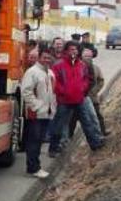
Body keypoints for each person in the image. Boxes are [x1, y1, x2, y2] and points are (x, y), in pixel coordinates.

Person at [49, 41, 104, 157]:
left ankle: (95, 144)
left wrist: (83, 90)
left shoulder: (82, 65)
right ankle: (53, 148)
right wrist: (63, 92)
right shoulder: (58, 65)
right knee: (59, 125)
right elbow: (54, 81)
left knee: (88, 122)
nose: (73, 52)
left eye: (75, 49)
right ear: (66, 51)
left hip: (80, 99)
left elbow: (87, 79)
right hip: (64, 100)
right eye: (71, 49)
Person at [21, 48, 56, 178]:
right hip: (35, 113)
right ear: (39, 57)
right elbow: (26, 91)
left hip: (47, 113)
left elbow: (53, 92)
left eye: (49, 57)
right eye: (44, 57)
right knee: (34, 141)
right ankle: (33, 168)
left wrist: (52, 108)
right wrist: (36, 106)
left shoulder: (50, 72)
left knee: (40, 140)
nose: (47, 60)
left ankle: (35, 166)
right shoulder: (32, 72)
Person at [81, 47, 108, 135]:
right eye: (86, 56)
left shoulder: (96, 68)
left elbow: (101, 80)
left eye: (89, 57)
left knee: (97, 116)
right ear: (82, 57)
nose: (88, 58)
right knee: (74, 118)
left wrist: (95, 90)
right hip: (80, 98)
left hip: (93, 97)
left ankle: (102, 132)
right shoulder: (78, 67)